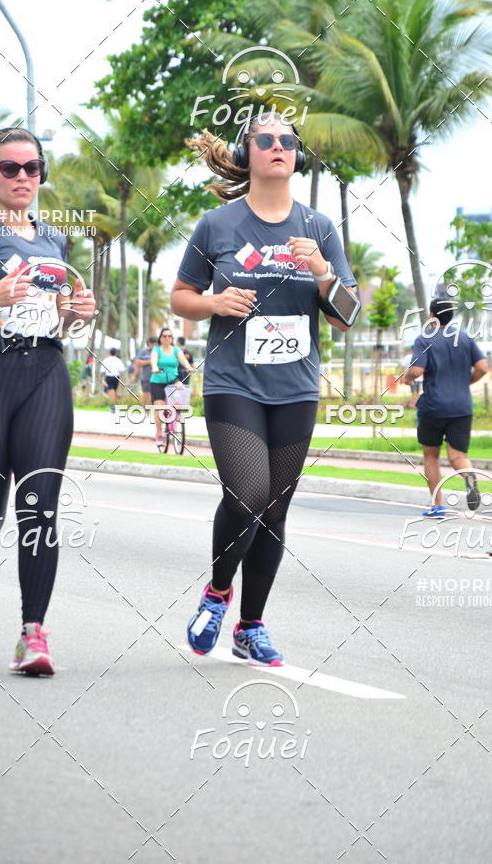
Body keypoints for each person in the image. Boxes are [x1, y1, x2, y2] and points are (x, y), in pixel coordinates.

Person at [171, 114, 357, 666]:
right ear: (246, 151)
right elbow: (181, 297)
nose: (279, 147)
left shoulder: (319, 228)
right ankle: (217, 593)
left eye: (288, 141)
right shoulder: (218, 225)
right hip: (234, 384)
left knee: (274, 509)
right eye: (267, 140)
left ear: (296, 155)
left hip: (295, 388)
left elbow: (347, 316)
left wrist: (322, 270)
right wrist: (213, 303)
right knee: (248, 494)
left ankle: (250, 627)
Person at [0, 126, 96, 673]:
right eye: (9, 168)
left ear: (42, 174)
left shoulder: (54, 240)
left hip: (44, 372)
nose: (22, 177)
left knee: (39, 506)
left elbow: (52, 313)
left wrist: (74, 312)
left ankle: (32, 635)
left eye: (32, 168)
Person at [405, 297, 488, 517]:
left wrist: (407, 377)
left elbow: (416, 371)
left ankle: (437, 505)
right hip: (462, 407)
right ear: (452, 316)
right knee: (457, 456)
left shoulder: (425, 339)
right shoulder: (466, 338)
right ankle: (469, 475)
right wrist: (466, 382)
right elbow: (483, 368)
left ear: (431, 316)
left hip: (433, 407)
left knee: (431, 456)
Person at [150, 327, 193, 445]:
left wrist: (188, 367)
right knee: (159, 407)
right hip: (157, 381)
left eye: (169, 336)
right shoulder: (156, 350)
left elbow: (183, 360)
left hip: (172, 379)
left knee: (182, 388)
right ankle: (159, 434)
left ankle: (176, 414)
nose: (167, 338)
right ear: (160, 338)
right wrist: (155, 367)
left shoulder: (176, 350)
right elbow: (153, 360)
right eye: (164, 336)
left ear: (172, 338)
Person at [130, 336, 157, 408]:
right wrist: (134, 376)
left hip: (157, 378)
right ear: (149, 343)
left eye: (155, 344)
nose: (153, 345)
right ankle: (145, 411)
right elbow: (138, 363)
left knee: (156, 397)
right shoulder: (143, 352)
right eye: (152, 344)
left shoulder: (158, 351)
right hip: (146, 378)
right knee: (146, 396)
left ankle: (156, 412)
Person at [101, 347, 125, 413]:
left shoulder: (106, 360)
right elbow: (122, 371)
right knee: (114, 391)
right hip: (116, 377)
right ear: (115, 353)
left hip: (109, 377)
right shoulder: (118, 360)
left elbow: (102, 371)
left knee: (112, 391)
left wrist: (101, 378)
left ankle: (113, 406)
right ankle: (114, 406)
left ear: (109, 352)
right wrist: (122, 380)